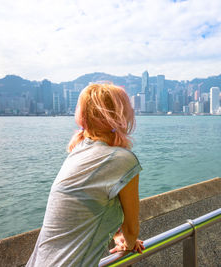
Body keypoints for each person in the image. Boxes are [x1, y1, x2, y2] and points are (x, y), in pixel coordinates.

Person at [26, 84, 145, 267]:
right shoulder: (122, 160)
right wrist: (128, 242)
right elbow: (131, 229)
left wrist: (116, 234)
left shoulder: (78, 151)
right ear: (120, 115)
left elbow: (89, 204)